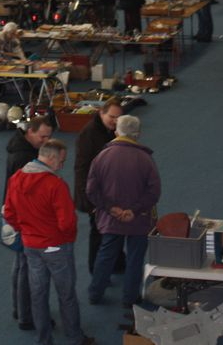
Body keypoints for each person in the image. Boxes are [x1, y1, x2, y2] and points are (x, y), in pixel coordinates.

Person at [4, 139, 95, 345]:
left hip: (30, 246)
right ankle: (74, 337)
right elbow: (67, 222)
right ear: (51, 158)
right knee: (66, 294)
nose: (62, 166)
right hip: (56, 246)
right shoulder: (55, 184)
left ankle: (43, 339)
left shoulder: (16, 179)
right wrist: (66, 238)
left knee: (38, 294)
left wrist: (25, 230)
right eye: (61, 161)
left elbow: (9, 213)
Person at [86, 115, 161, 309]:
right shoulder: (145, 158)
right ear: (137, 134)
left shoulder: (102, 157)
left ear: (116, 131)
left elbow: (91, 190)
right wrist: (133, 211)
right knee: (136, 258)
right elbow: (154, 191)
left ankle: (95, 293)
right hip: (138, 219)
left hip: (111, 219)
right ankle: (130, 298)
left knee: (106, 255)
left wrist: (111, 209)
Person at [5, 117, 54, 331]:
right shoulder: (24, 158)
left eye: (49, 137)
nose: (46, 141)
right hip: (26, 221)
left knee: (20, 265)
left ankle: (20, 309)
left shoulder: (20, 147)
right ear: (30, 132)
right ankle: (27, 317)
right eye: (42, 136)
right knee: (28, 270)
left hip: (17, 217)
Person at [73, 98, 123, 273]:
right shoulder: (89, 134)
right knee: (98, 233)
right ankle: (95, 269)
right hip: (94, 194)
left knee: (114, 229)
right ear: (101, 113)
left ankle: (116, 262)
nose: (115, 121)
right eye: (112, 117)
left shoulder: (111, 131)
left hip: (108, 190)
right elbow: (81, 168)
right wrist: (87, 200)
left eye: (118, 117)